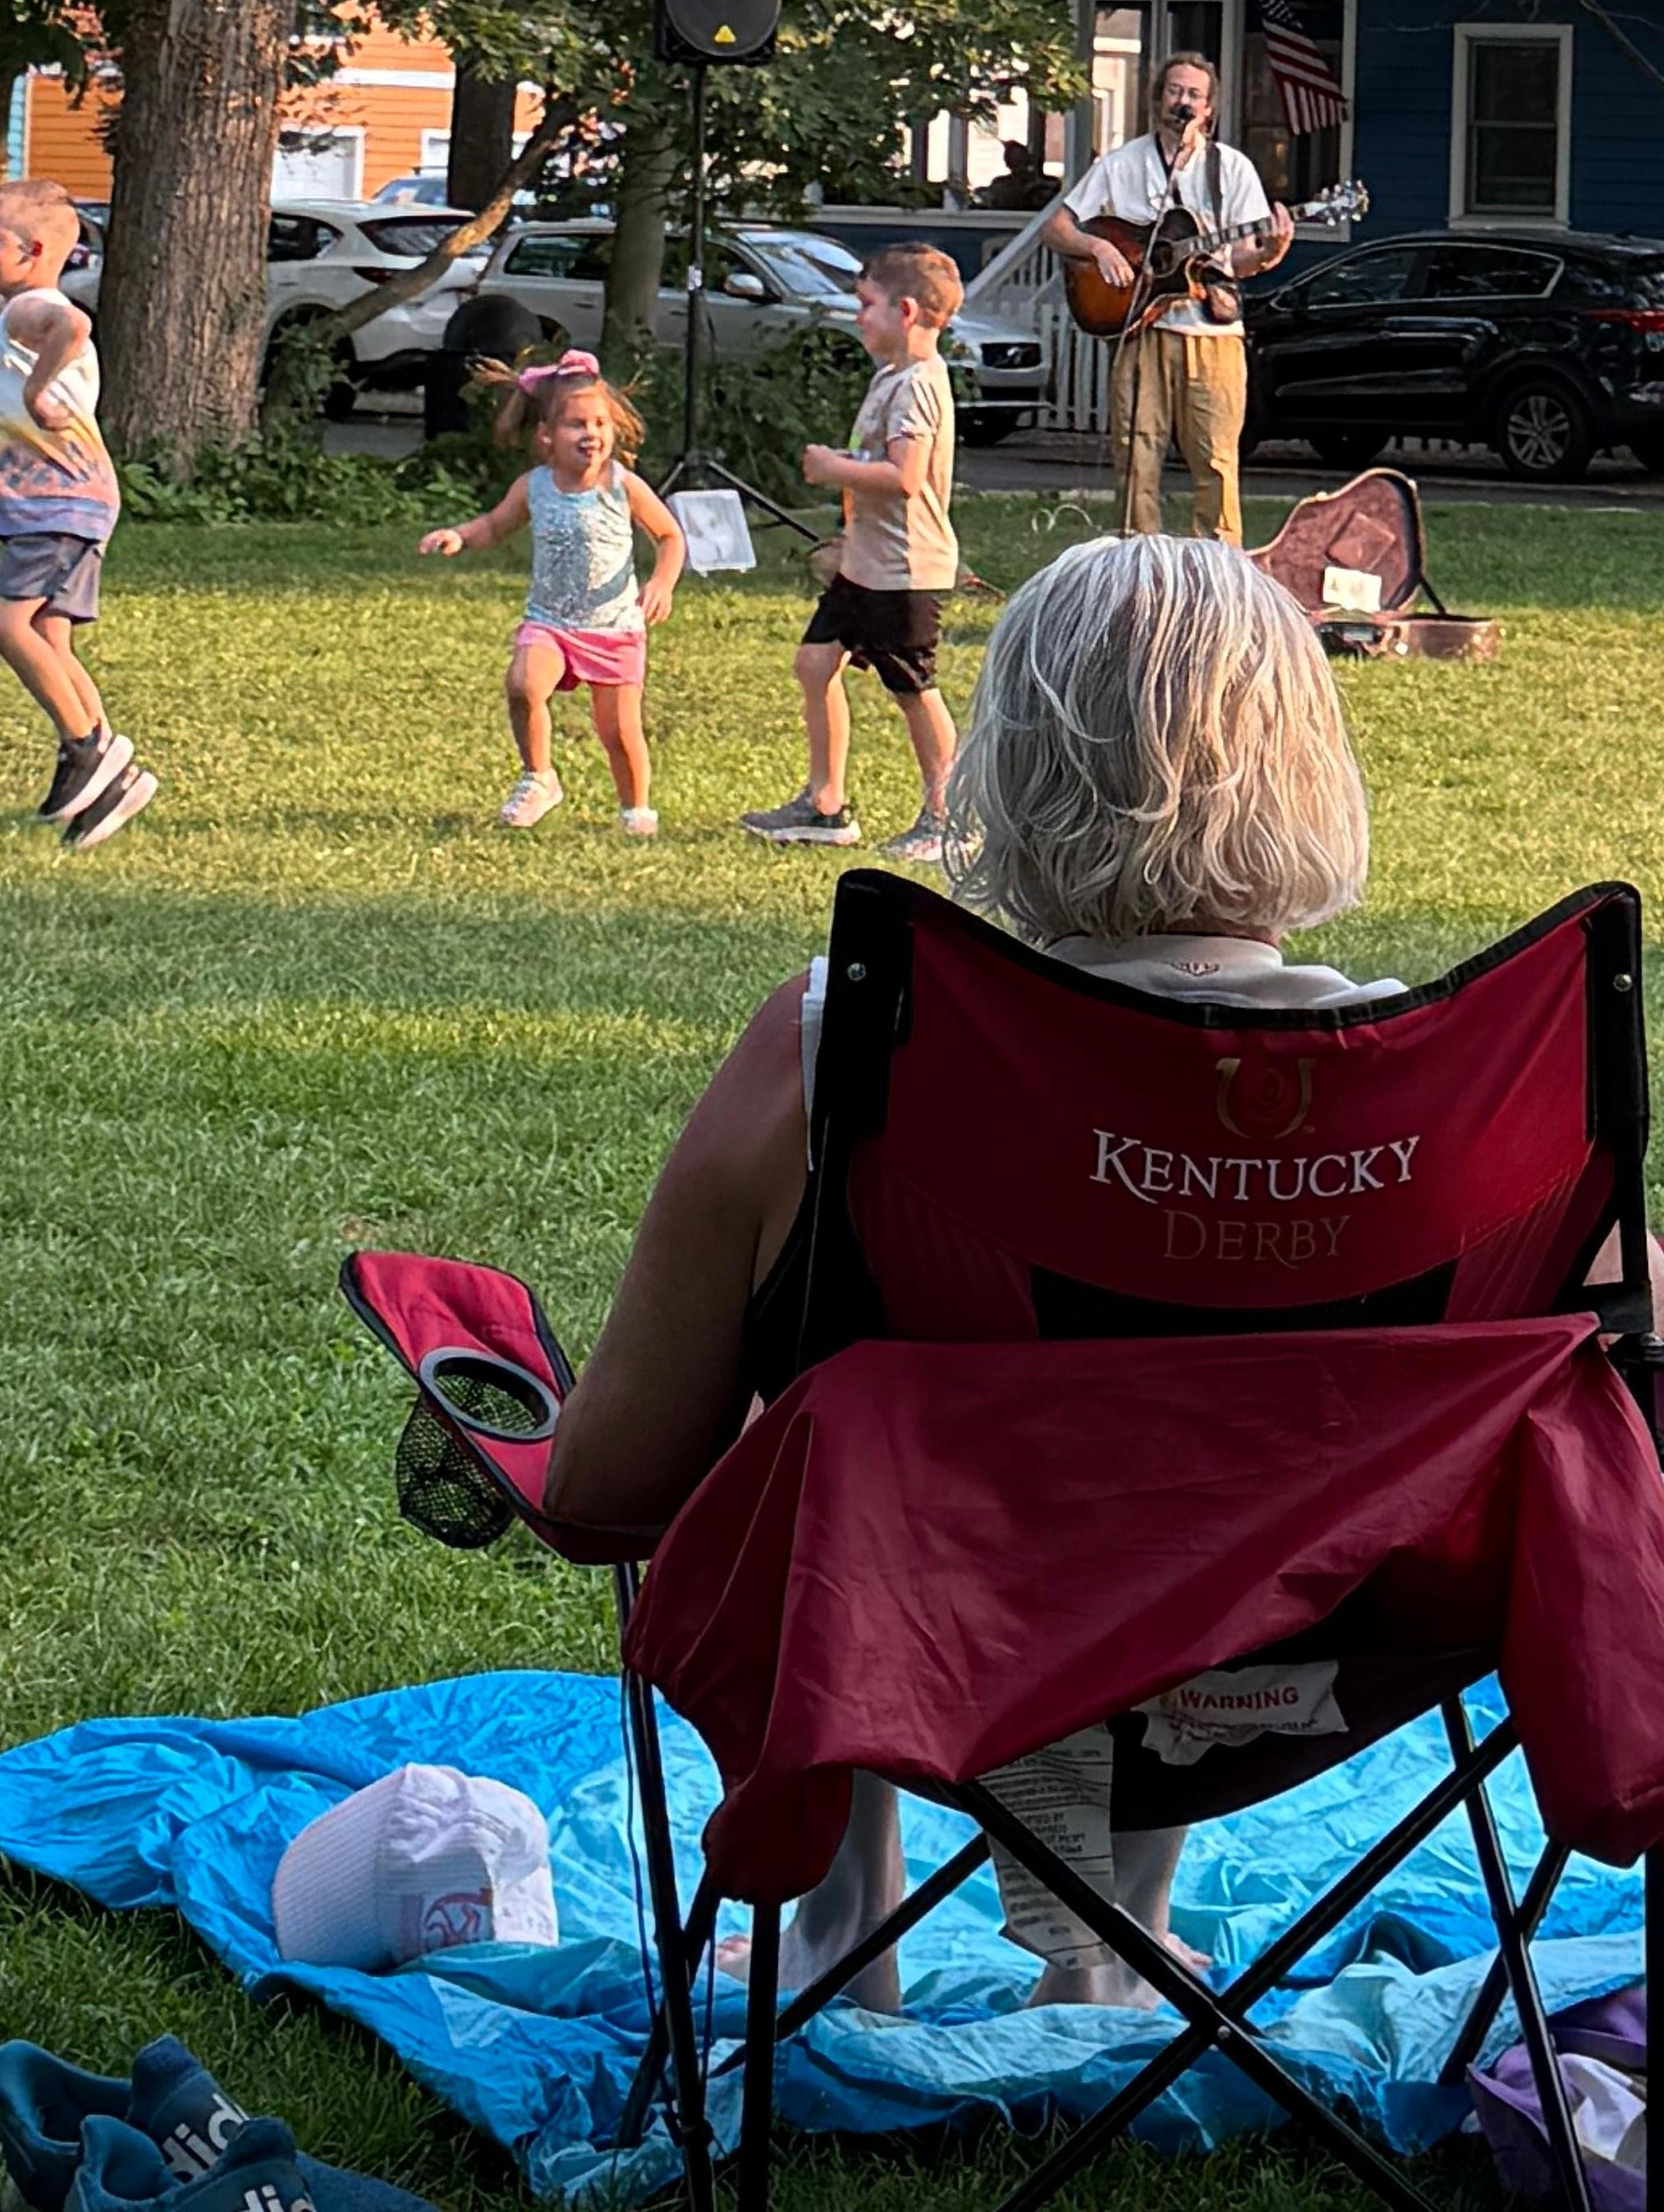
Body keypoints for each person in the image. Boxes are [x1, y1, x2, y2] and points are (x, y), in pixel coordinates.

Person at [554, 532, 1401, 2001]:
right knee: (1208, 1433)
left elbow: (608, 1490)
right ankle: (1113, 1940)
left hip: (922, 1650)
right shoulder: (1438, 1082)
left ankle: (840, 1936)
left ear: (1011, 763)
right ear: (1307, 765)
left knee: (819, 1418)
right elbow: (1630, 1378)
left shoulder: (840, 1047)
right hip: (1291, 1677)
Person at [744, 245, 967, 861]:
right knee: (816, 664)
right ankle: (825, 803)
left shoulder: (920, 385)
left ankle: (948, 815)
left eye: (865, 306)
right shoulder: (891, 376)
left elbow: (905, 477)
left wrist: (830, 467)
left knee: (913, 688)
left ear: (909, 311)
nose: (857, 317)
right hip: (864, 565)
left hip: (904, 569)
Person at [0, 178, 156, 848]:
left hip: (56, 499)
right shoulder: (19, 304)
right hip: (68, 498)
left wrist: (42, 390)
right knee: (48, 634)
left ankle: (86, 747)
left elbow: (72, 326)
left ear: (35, 249)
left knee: (4, 621)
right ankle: (108, 788)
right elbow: (0, 294)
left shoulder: (37, 311)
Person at [419, 349, 684, 832]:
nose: (591, 434)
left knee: (619, 731)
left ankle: (636, 812)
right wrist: (459, 535)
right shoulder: (534, 487)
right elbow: (494, 526)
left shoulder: (623, 485)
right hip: (551, 623)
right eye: (576, 425)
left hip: (614, 628)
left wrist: (662, 582)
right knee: (523, 685)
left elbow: (670, 536)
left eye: (600, 423)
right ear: (545, 435)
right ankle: (539, 778)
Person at [1047, 57, 1288, 543]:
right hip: (1144, 329)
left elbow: (1241, 259)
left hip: (1212, 334)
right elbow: (1057, 227)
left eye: (1193, 95)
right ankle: (1139, 566)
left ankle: (1218, 570)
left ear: (1208, 108)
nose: (1183, 101)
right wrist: (1098, 246)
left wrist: (1271, 252)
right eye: (1174, 91)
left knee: (1216, 459)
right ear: (1158, 100)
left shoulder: (1231, 168)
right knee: (1136, 456)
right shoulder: (1122, 163)